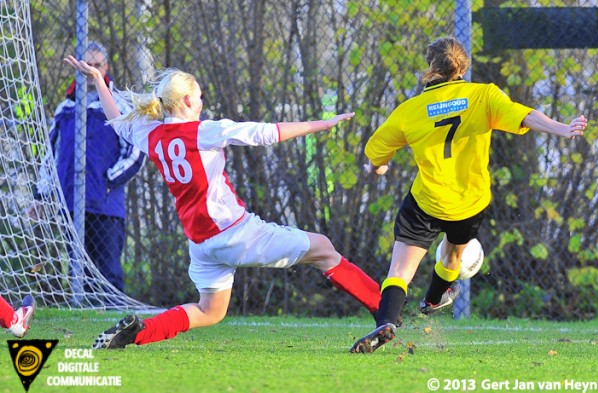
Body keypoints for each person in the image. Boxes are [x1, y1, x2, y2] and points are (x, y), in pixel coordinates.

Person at [63, 56, 382, 350]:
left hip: (202, 244)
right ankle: (384, 308)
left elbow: (116, 119)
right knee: (324, 248)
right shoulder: (204, 131)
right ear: (187, 100)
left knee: (209, 311)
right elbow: (266, 133)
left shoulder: (153, 135)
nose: (201, 102)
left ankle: (138, 333)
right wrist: (321, 124)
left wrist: (100, 82)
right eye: (198, 96)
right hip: (236, 234)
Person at [350, 36, 587, 353]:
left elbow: (375, 151)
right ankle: (434, 299)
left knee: (400, 271)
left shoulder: (410, 111)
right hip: (469, 203)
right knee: (452, 255)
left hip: (427, 201)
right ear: (463, 66)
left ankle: (387, 321)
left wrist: (378, 166)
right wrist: (562, 128)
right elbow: (524, 114)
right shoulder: (483, 95)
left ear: (430, 68)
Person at [31, 42, 144, 292]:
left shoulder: (119, 107)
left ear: (106, 68)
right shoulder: (65, 110)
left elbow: (135, 152)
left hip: (105, 206)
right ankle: (83, 317)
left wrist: (108, 181)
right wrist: (42, 195)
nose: (91, 71)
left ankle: (117, 324)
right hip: (70, 203)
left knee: (108, 272)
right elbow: (50, 156)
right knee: (78, 270)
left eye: (96, 65)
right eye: (86, 65)